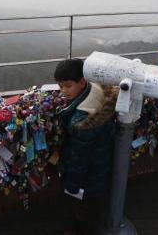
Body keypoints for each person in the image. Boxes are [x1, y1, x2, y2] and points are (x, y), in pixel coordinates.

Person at [54, 58, 117, 235]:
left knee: (84, 212)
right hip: (98, 172)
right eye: (60, 86)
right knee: (89, 210)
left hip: (87, 180)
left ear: (82, 82)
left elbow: (79, 159)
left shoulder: (82, 123)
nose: (63, 91)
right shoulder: (96, 90)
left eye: (67, 86)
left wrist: (72, 187)